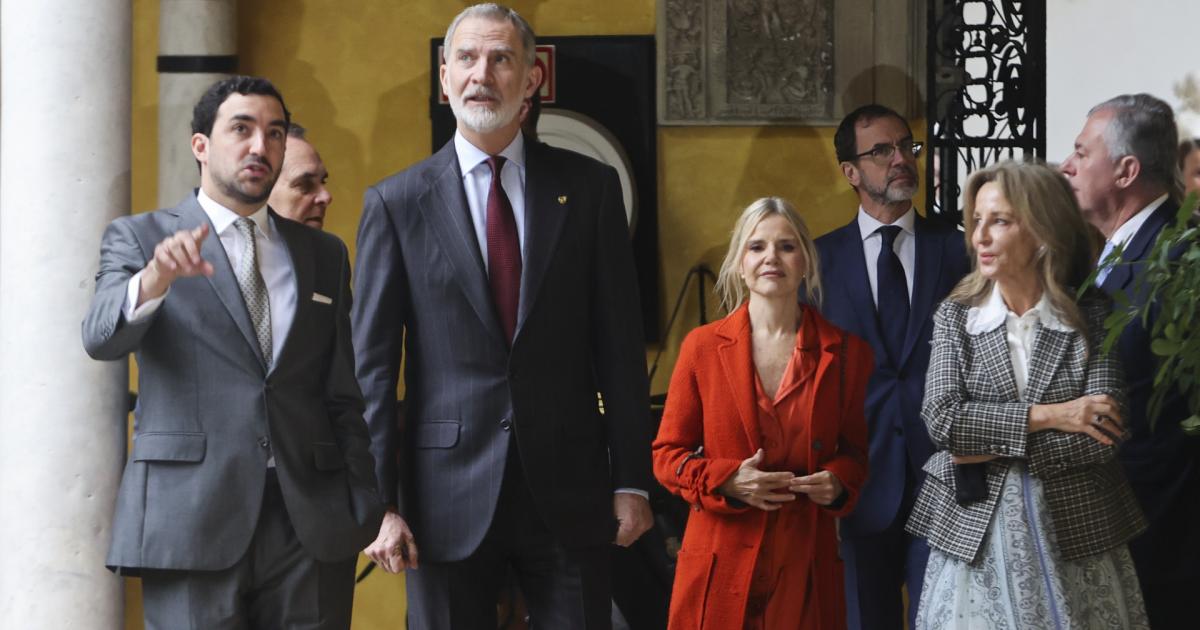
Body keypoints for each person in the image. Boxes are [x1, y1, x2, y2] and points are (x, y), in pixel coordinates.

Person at [351, 4, 654, 628]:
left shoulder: (591, 188)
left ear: (531, 77)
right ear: (444, 77)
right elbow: (374, 371)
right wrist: (379, 504)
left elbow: (619, 349)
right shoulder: (397, 203)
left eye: (500, 58)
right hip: (442, 498)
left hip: (571, 492)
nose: (480, 74)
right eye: (465, 58)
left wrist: (633, 481)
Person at [80, 76, 383, 629]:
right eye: (241, 129)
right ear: (202, 145)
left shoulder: (323, 254)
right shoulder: (141, 238)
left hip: (310, 523)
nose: (258, 146)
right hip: (190, 517)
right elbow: (100, 336)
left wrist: (361, 497)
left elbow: (342, 388)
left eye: (273, 133)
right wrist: (154, 281)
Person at [907, 160, 1148, 628]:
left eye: (999, 220)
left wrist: (985, 447)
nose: (980, 237)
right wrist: (1053, 414)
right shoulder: (956, 316)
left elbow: (1101, 434)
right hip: (973, 536)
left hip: (1078, 536)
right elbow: (943, 422)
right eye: (976, 220)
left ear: (1042, 231)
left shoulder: (1093, 316)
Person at [653, 197, 872, 629]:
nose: (771, 257)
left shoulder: (848, 354)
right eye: (756, 247)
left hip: (805, 564)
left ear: (806, 261)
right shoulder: (701, 348)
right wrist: (725, 479)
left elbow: (855, 455)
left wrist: (837, 482)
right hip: (720, 563)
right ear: (738, 262)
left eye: (787, 246)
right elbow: (666, 455)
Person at [813, 104, 969, 629]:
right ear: (851, 172)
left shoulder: (961, 250)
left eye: (907, 146)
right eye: (882, 150)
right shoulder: (818, 262)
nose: (901, 158)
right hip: (859, 483)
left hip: (948, 482)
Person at [1060, 93, 1200, 629]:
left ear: (1126, 170)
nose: (1067, 166)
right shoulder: (1114, 251)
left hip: (1163, 536)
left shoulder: (1178, 258)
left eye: (1080, 152)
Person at [268, 122, 332, 229]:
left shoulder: (334, 245)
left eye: (323, 181)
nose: (326, 197)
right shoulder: (233, 243)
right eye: (305, 185)